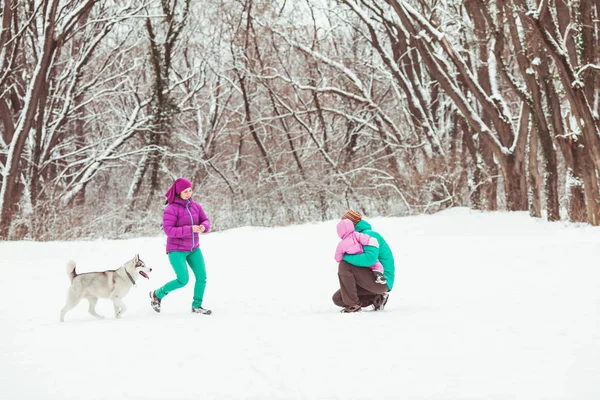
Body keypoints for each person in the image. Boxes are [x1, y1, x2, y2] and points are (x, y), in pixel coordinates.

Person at [149, 177, 212, 315]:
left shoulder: (196, 206)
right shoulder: (171, 209)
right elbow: (169, 231)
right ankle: (157, 294)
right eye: (185, 192)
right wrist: (191, 229)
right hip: (176, 250)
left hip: (194, 249)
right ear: (178, 193)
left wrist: (203, 227)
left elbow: (206, 220)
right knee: (183, 280)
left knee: (202, 277)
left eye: (190, 191)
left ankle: (197, 306)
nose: (189, 194)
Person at [332, 210, 395, 313]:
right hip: (370, 279)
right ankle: (376, 298)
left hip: (381, 280)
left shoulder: (369, 235)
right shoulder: (354, 237)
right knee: (338, 298)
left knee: (344, 265)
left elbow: (370, 259)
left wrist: (345, 257)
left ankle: (353, 306)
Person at [335, 218, 387, 285]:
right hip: (362, 254)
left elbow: (338, 255)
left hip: (354, 261)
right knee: (377, 265)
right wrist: (372, 241)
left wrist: (340, 260)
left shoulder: (341, 244)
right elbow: (364, 239)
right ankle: (378, 275)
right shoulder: (356, 235)